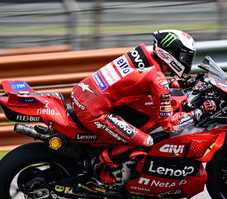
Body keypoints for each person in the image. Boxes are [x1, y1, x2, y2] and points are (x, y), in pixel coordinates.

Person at [71, 29, 215, 185]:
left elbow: (141, 80)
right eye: (185, 56)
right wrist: (199, 112)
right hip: (93, 112)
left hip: (81, 94)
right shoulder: (157, 80)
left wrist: (182, 83)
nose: (187, 61)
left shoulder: (141, 54)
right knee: (147, 142)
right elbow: (169, 124)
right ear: (170, 53)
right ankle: (96, 165)